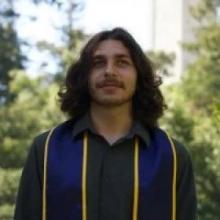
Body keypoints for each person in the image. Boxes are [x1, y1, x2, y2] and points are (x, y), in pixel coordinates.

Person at [14, 27, 197, 220]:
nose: (110, 71)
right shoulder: (46, 150)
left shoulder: (172, 157)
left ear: (138, 75)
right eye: (98, 63)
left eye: (122, 62)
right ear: (84, 76)